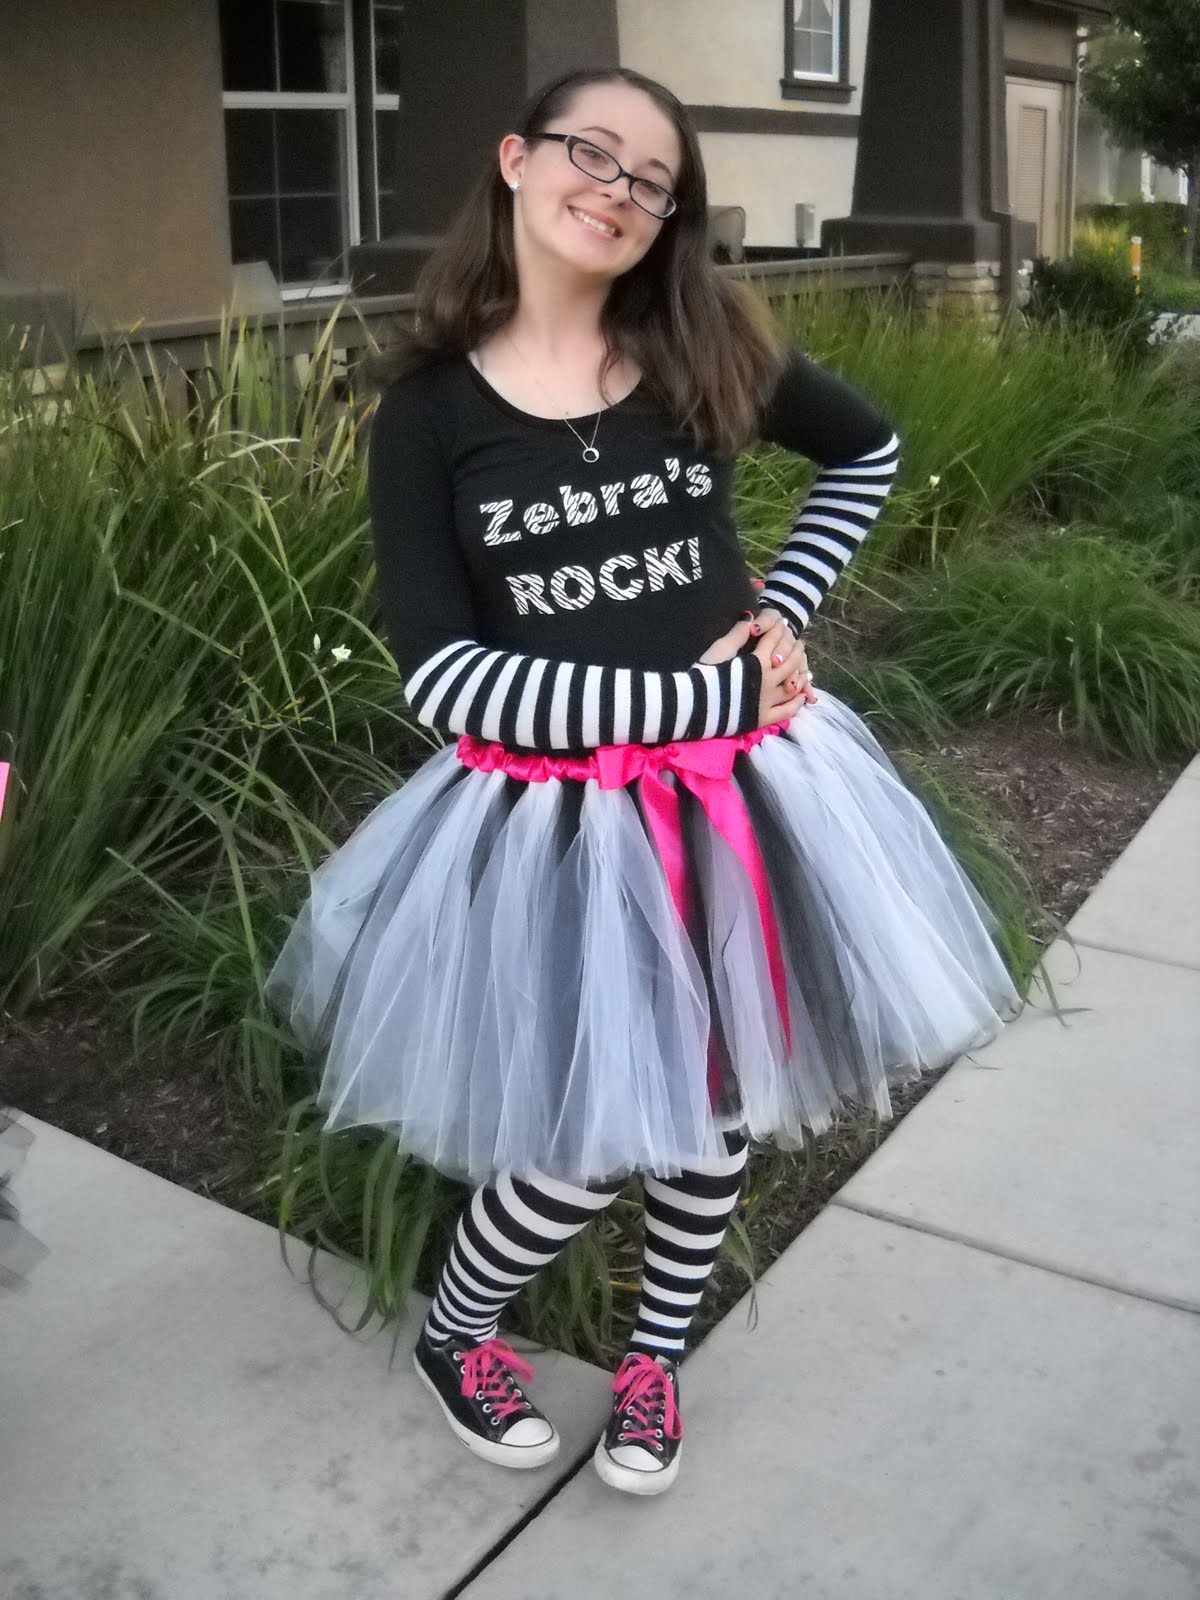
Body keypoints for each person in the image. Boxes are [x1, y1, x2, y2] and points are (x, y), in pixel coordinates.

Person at [264, 65, 1020, 1498]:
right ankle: (458, 1330)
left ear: (671, 217)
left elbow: (867, 451)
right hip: (559, 822)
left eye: (652, 181)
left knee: (716, 1105)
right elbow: (447, 680)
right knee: (586, 1128)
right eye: (591, 155)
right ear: (515, 159)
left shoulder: (695, 343)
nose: (615, 191)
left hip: (746, 799)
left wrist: (783, 612)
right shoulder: (428, 412)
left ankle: (655, 1359)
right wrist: (698, 698)